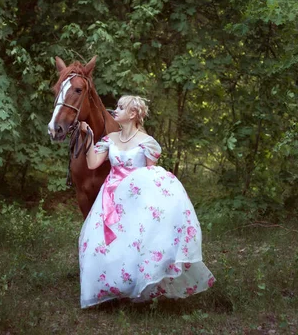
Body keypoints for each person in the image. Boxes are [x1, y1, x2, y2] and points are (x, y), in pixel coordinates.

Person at [78, 95, 215, 308]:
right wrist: (88, 138)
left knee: (136, 241)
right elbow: (93, 163)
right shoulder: (110, 139)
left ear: (133, 114)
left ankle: (137, 288)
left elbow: (152, 173)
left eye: (121, 108)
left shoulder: (147, 142)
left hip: (136, 198)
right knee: (106, 243)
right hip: (112, 197)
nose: (116, 110)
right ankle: (113, 288)